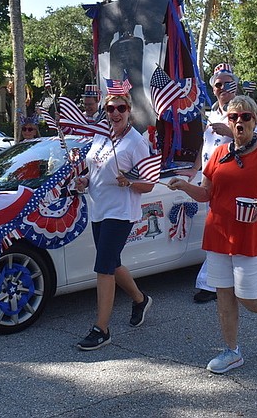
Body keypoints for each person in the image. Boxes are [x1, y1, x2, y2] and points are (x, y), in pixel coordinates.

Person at [168, 95, 257, 374]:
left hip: (252, 234)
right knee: (223, 295)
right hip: (219, 233)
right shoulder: (219, 154)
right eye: (234, 117)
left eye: (245, 117)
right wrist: (183, 187)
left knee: (249, 297)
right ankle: (231, 351)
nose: (239, 121)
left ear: (256, 121)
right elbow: (206, 193)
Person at [177, 62, 257, 304]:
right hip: (212, 175)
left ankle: (209, 283)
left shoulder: (243, 110)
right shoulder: (213, 113)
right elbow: (205, 145)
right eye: (218, 85)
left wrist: (229, 132)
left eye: (228, 84)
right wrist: (194, 169)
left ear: (235, 85)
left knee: (226, 229)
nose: (223, 89)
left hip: (236, 175)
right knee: (222, 228)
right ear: (213, 88)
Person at [72, 91, 154, 351]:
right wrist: (84, 180)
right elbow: (94, 168)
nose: (115, 113)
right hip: (99, 209)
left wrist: (130, 181)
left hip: (120, 212)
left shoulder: (136, 142)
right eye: (110, 109)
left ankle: (102, 329)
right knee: (113, 262)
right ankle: (140, 300)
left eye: (120, 108)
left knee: (104, 267)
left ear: (129, 110)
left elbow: (149, 183)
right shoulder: (100, 135)